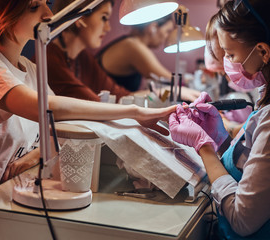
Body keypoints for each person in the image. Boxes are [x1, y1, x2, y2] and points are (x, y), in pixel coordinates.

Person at [0, 0, 176, 237]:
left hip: (9, 196)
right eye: (34, 7)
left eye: (47, 3)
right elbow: (45, 108)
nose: (48, 15)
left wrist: (37, 153)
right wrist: (134, 113)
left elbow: (59, 128)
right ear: (3, 14)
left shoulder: (29, 68)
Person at [169, 0, 270, 238]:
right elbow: (252, 170)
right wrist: (220, 137)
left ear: (263, 52)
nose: (227, 62)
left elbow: (242, 219)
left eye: (231, 53)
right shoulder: (263, 98)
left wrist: (203, 146)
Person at [46, 0, 200, 103]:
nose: (108, 28)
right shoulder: (50, 60)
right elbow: (98, 105)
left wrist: (163, 91)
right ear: (80, 18)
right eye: (104, 18)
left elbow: (120, 95)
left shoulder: (82, 57)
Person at [98, 14, 174, 91]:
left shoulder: (131, 42)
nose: (167, 37)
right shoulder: (133, 46)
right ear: (152, 27)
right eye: (167, 31)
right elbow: (170, 80)